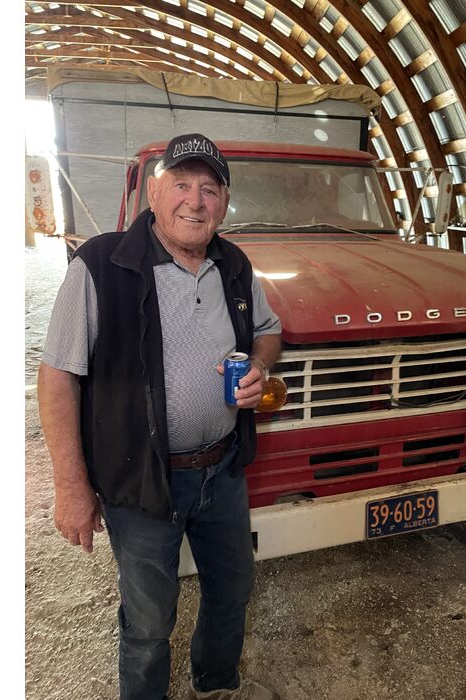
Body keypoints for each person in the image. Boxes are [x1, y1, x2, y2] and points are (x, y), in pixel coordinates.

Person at [37, 133, 283, 700]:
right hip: (140, 480)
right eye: (182, 185)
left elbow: (268, 331)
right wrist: (71, 486)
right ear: (154, 193)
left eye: (210, 189)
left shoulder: (234, 265)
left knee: (232, 591)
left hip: (222, 472)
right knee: (149, 621)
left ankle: (215, 684)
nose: (195, 201)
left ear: (224, 203)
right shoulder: (101, 264)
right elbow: (57, 377)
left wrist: (260, 366)